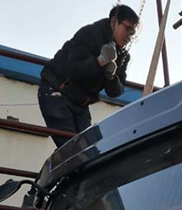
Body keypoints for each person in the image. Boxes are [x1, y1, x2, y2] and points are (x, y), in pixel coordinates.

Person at [38, 4, 139, 149]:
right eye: (127, 29)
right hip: (57, 92)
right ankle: (50, 171)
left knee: (89, 152)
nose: (129, 36)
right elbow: (72, 68)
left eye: (133, 33)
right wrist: (100, 61)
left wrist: (111, 77)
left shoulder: (122, 56)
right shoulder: (90, 34)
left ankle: (60, 170)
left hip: (80, 103)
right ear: (113, 22)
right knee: (72, 150)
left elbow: (116, 91)